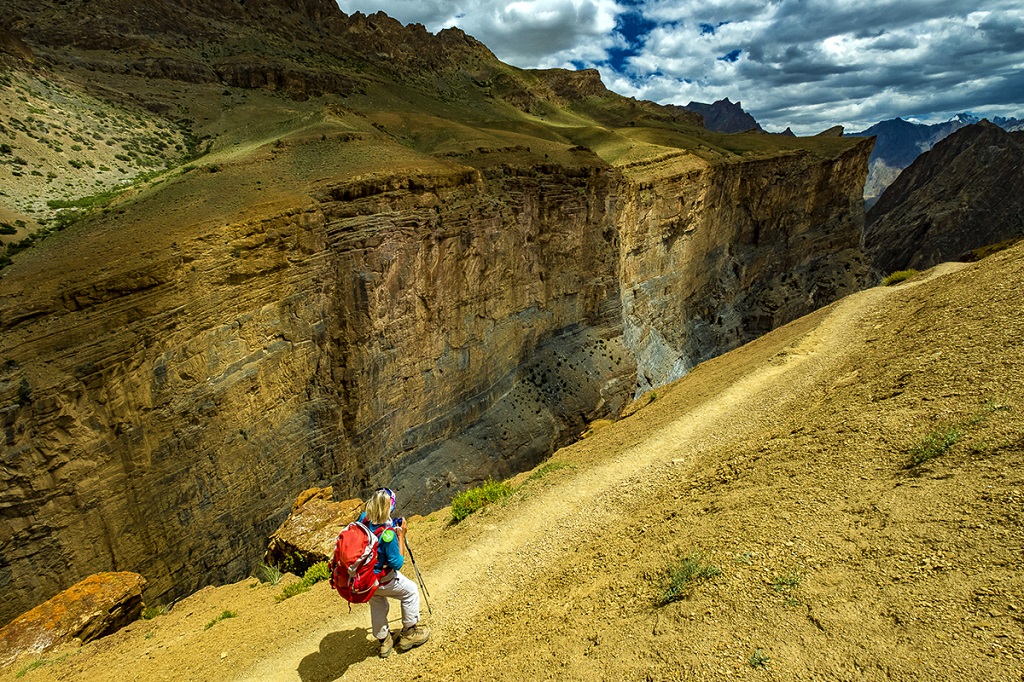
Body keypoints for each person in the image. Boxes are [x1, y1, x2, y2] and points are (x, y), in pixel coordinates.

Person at [359, 487, 431, 658]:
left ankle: (384, 641)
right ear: (389, 507)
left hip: (366, 580)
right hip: (383, 579)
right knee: (411, 592)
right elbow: (397, 563)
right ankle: (409, 633)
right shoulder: (387, 536)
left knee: (378, 604)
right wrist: (401, 534)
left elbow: (375, 524)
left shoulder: (364, 520)